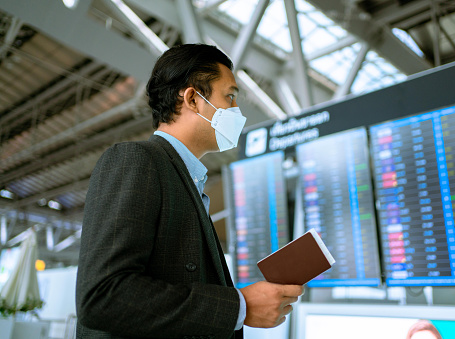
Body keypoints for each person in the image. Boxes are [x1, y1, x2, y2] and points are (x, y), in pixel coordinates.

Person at [75, 43, 304, 339]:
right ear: (193, 99)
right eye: (230, 97)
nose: (237, 111)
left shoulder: (187, 183)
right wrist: (240, 307)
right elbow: (103, 296)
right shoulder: (136, 160)